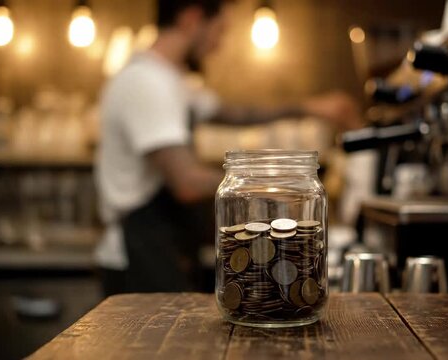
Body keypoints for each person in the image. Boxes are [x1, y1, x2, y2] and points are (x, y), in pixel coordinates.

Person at [95, 0, 362, 296]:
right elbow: (187, 182)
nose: (218, 44)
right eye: (219, 31)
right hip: (135, 257)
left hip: (159, 243)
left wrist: (310, 107)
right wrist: (276, 185)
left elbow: (237, 114)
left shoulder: (173, 80)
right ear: (191, 18)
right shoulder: (147, 83)